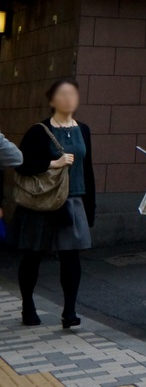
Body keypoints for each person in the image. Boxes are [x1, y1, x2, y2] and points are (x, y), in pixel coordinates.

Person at [12, 79, 95, 329]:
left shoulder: (84, 130)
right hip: (43, 202)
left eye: (72, 94)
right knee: (33, 256)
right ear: (52, 101)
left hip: (74, 201)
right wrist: (53, 163)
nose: (69, 98)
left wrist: (90, 207)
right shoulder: (39, 130)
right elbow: (21, 163)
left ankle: (69, 312)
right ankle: (28, 305)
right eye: (62, 94)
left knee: (71, 258)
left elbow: (87, 169)